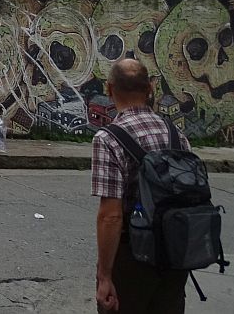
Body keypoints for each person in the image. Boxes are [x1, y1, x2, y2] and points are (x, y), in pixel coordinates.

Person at [92, 58, 192, 313]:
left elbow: (111, 216)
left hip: (134, 254)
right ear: (150, 89)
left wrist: (104, 276)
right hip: (175, 253)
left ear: (109, 88)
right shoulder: (175, 134)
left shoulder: (108, 139)